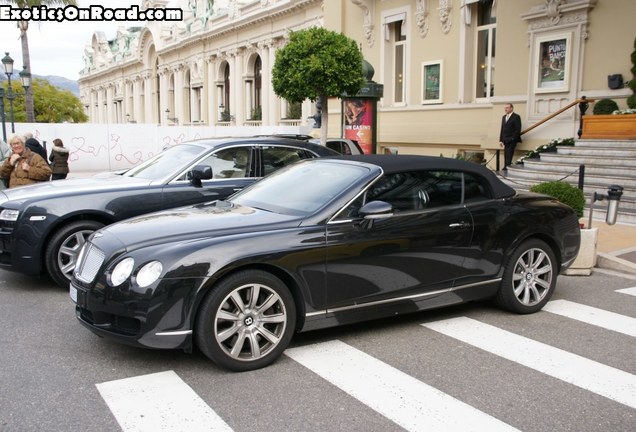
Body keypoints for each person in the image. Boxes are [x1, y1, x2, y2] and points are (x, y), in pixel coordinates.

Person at [499, 103, 522, 170]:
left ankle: (507, 167)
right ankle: (506, 166)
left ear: (511, 108)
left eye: (507, 107)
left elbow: (518, 129)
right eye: (505, 108)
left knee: (509, 154)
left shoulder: (516, 117)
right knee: (506, 154)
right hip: (505, 140)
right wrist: (501, 140)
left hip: (512, 140)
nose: (505, 109)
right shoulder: (504, 117)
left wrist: (512, 138)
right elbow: (502, 129)